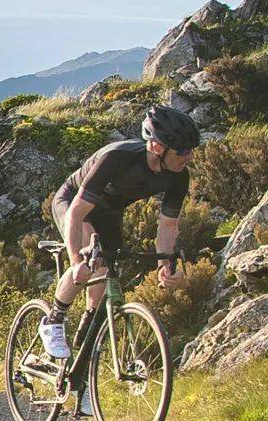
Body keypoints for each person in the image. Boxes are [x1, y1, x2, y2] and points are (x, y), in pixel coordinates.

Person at [38, 102, 201, 363]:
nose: (188, 156)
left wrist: (163, 265)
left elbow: (168, 225)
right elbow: (77, 213)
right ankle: (53, 321)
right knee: (91, 261)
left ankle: (83, 355)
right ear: (158, 147)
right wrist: (76, 262)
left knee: (104, 286)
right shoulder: (117, 157)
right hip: (73, 204)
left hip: (109, 213)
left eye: (191, 150)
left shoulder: (178, 176)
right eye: (182, 150)